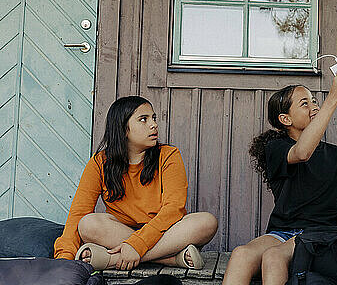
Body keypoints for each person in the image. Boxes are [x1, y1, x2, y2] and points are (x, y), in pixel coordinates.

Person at [216, 70, 337, 285]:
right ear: (285, 119)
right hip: (281, 233)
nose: (313, 105)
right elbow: (302, 152)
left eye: (314, 100)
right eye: (304, 103)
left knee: (274, 257)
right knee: (241, 254)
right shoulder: (276, 148)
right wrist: (333, 99)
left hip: (319, 236)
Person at [53, 96, 218, 271]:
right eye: (143, 119)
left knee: (206, 222)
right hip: (121, 232)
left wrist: (137, 245)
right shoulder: (99, 163)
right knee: (87, 224)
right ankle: (170, 259)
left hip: (166, 231)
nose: (153, 125)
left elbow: (173, 209)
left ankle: (114, 260)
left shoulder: (169, 155)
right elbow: (79, 212)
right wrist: (64, 259)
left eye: (153, 118)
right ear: (123, 128)